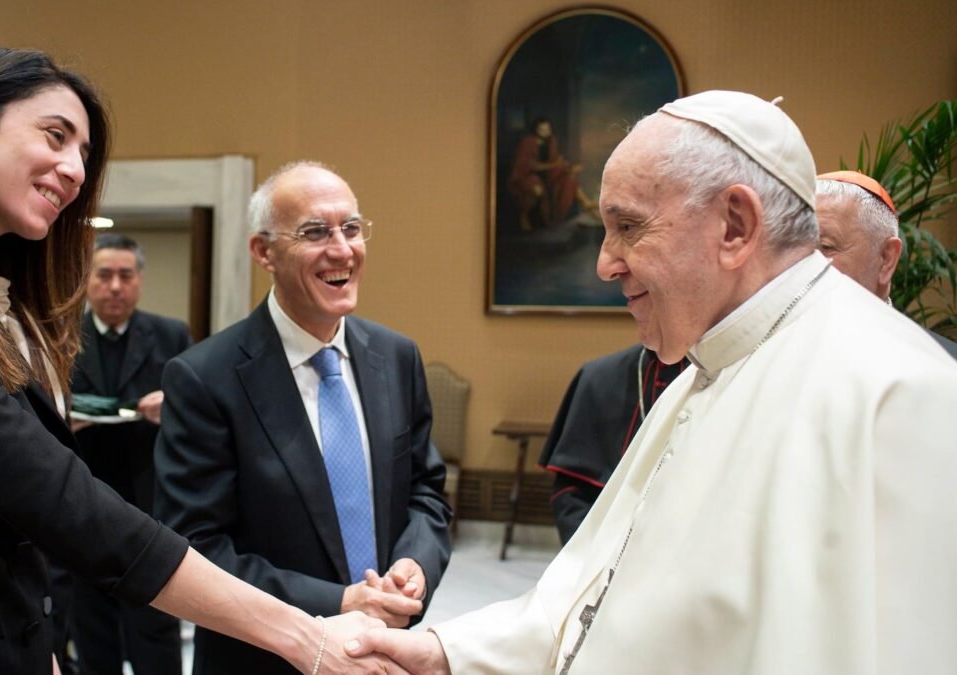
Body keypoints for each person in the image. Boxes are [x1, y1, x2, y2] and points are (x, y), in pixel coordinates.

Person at [0, 48, 391, 675]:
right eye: (55, 135)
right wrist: (300, 634)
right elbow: (58, 498)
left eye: (84, 155)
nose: (72, 169)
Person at [348, 90, 957, 674]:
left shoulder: (902, 393)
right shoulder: (703, 374)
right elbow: (590, 597)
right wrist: (445, 652)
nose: (604, 262)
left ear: (735, 226)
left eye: (630, 228)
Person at [153, 161, 452, 675]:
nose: (342, 249)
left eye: (352, 229)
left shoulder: (396, 357)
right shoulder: (205, 378)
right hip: (260, 658)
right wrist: (339, 601)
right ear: (263, 251)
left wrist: (413, 567)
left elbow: (426, 491)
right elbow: (198, 549)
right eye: (315, 232)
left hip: (386, 650)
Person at [69, 233, 192, 675]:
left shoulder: (169, 333)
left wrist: (174, 407)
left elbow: (199, 414)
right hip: (82, 497)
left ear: (139, 281)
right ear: (88, 282)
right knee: (91, 626)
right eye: (104, 276)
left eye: (125, 275)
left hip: (149, 499)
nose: (115, 286)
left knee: (154, 623)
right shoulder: (62, 330)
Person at [540, 345, 687, 543]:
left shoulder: (732, 380)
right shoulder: (597, 377)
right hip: (604, 551)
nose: (633, 311)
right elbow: (572, 492)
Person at [815, 170, 957, 357]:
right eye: (793, 247)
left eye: (825, 247)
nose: (801, 263)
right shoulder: (772, 349)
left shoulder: (942, 363)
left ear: (886, 258)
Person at [507, 117, 582, 230]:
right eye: (541, 129)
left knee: (569, 179)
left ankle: (564, 214)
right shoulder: (528, 142)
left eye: (547, 129)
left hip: (548, 176)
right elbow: (529, 165)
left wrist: (568, 168)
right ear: (535, 130)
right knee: (536, 188)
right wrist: (554, 165)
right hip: (526, 176)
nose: (545, 132)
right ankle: (524, 216)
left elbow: (555, 160)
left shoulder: (552, 141)